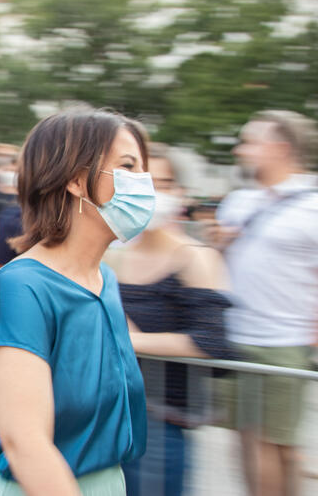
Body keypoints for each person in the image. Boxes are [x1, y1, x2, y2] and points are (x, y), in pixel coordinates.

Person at [0, 108, 149, 496]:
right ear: (75, 180)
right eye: (128, 166)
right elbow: (26, 443)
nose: (144, 182)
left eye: (143, 169)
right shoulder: (22, 286)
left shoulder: (105, 280)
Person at [104, 143, 233, 496]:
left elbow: (213, 342)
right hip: (107, 416)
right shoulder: (114, 255)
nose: (152, 193)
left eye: (162, 183)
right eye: (140, 182)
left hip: (161, 424)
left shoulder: (195, 259)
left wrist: (132, 339)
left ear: (179, 191)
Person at [214, 110, 318, 496]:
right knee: (247, 441)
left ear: (280, 149)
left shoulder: (312, 204)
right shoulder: (238, 201)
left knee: (279, 448)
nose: (242, 150)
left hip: (283, 344)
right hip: (236, 340)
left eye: (251, 141)